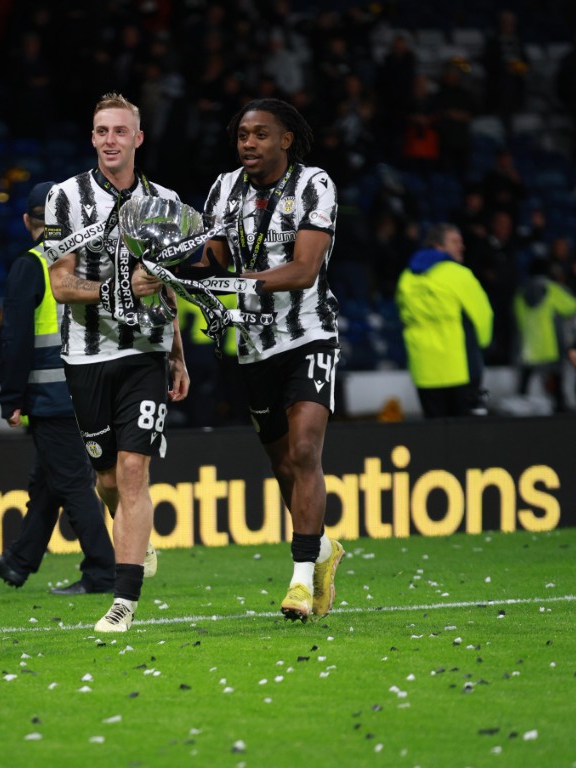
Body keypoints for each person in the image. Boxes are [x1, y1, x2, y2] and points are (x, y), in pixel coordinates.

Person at [195, 97, 345, 623]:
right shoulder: (222, 189)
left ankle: (302, 581)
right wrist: (177, 260)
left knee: (305, 451)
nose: (248, 144)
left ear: (285, 139)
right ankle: (323, 549)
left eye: (260, 134)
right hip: (254, 345)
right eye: (242, 136)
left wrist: (230, 281)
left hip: (309, 336)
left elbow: (304, 269)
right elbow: (212, 258)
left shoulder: (314, 184)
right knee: (282, 465)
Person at [46, 92, 189, 632]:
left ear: (138, 138)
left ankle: (123, 601)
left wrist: (177, 355)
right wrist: (120, 288)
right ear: (93, 138)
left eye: (119, 131)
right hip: (85, 354)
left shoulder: (166, 201)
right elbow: (61, 286)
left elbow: (169, 285)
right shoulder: (66, 198)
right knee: (106, 478)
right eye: (101, 130)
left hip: (145, 351)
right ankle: (131, 534)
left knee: (134, 471)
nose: (110, 139)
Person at [0, 181, 115, 594]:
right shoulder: (90, 261)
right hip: (93, 388)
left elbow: (15, 340)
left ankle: (103, 571)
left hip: (53, 395)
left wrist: (11, 397)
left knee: (70, 481)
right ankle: (19, 562)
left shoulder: (30, 264)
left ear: (26, 221)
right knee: (48, 480)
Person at [395, 223, 494, 418]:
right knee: (463, 436)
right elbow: (484, 316)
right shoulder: (458, 274)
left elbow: (403, 316)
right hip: (460, 369)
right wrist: (482, 344)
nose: (461, 246)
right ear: (438, 246)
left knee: (435, 435)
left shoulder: (406, 277)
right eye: (455, 241)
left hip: (424, 370)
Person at [513, 257, 576, 413]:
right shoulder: (551, 289)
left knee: (524, 383)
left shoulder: (520, 294)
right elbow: (571, 306)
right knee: (557, 383)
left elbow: (517, 320)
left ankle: (519, 413)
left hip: (528, 347)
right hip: (551, 346)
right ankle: (560, 412)